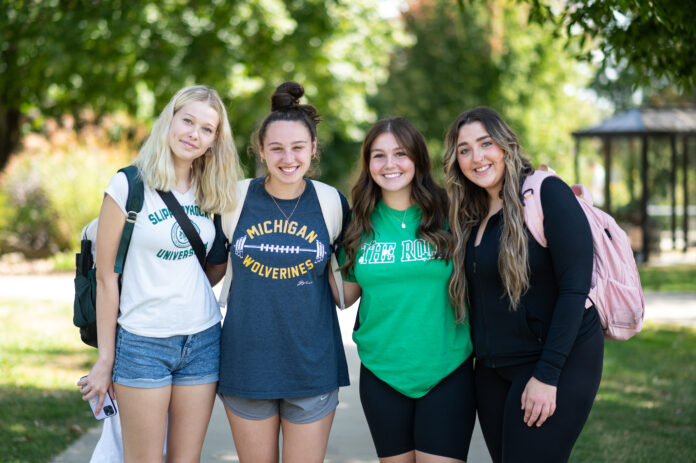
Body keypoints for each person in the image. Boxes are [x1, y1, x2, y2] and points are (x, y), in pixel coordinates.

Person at [77, 85, 241, 462]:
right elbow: (106, 278)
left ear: (214, 141)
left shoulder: (211, 190)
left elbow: (205, 266)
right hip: (143, 342)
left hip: (202, 340)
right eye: (187, 121)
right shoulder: (128, 185)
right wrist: (106, 359)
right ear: (169, 120)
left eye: (206, 129)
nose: (193, 134)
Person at [443, 106, 603, 463]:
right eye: (464, 149)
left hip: (557, 359)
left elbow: (575, 289)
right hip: (493, 369)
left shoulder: (547, 194)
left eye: (486, 144)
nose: (477, 157)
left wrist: (548, 376)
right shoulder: (469, 214)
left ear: (506, 145)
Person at [205, 81, 350, 463]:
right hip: (246, 364)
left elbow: (347, 285)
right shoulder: (234, 200)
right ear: (261, 151)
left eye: (298, 147)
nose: (289, 157)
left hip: (312, 367)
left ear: (314, 149)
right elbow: (208, 274)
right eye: (277, 148)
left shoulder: (332, 203)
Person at [338, 117, 475, 463]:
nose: (390, 165)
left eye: (400, 154)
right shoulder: (359, 223)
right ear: (368, 164)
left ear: (417, 159)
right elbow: (343, 296)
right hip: (382, 371)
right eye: (378, 155)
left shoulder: (452, 211)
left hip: (447, 367)